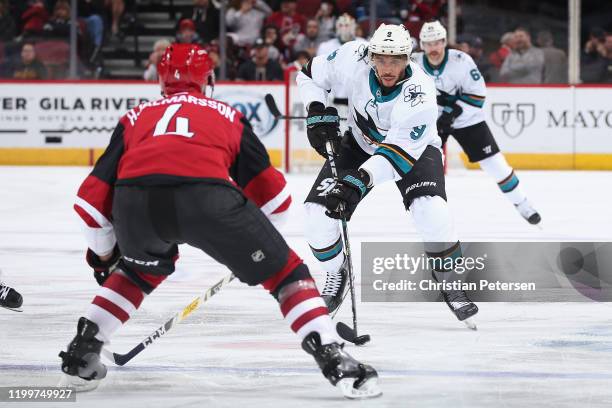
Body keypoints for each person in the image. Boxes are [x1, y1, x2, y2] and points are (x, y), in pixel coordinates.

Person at [58, 43, 380, 399]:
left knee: (135, 273)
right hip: (209, 201)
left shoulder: (135, 118)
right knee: (287, 273)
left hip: (136, 205)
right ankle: (333, 357)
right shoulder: (226, 115)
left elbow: (90, 203)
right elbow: (276, 201)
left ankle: (82, 351)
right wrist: (259, 246)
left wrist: (105, 257)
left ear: (161, 83)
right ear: (208, 79)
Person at [296, 23, 479, 325]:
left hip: (412, 151)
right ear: (370, 55)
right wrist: (316, 110)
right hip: (358, 144)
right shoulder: (352, 56)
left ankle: (448, 277)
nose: (388, 67)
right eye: (381, 58)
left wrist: (358, 181)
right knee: (316, 215)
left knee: (432, 211)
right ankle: (335, 272)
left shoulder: (420, 91)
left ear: (409, 57)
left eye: (396, 60)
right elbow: (308, 74)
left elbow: (395, 155)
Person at [413, 21, 541, 225]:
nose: (433, 48)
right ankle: (427, 214)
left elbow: (478, 94)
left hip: (468, 120)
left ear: (445, 42)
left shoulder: (461, 60)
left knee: (495, 165)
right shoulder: (414, 63)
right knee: (424, 168)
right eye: (428, 43)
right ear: (421, 44)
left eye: (437, 42)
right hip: (433, 123)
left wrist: (452, 112)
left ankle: (522, 203)